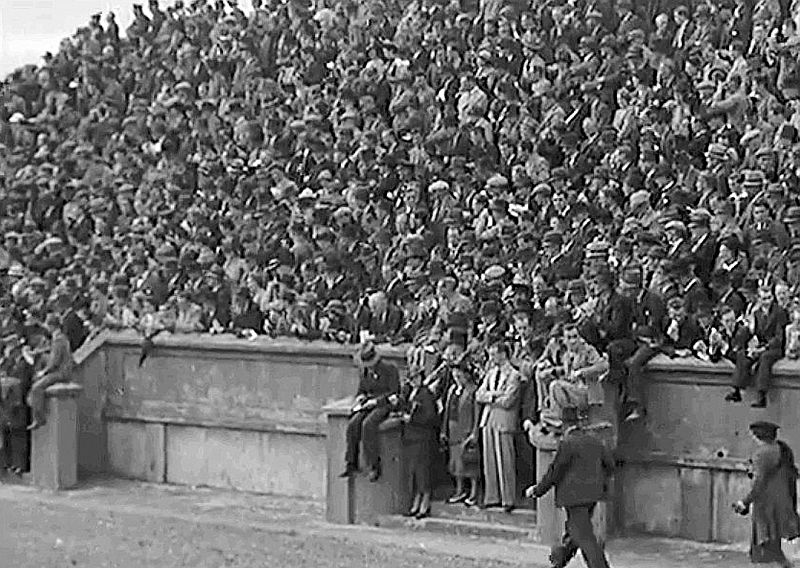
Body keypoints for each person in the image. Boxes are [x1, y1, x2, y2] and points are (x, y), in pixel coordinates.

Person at [526, 406, 615, 568]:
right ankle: (558, 560)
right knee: (575, 532)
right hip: (593, 495)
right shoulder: (595, 441)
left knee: (586, 538)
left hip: (573, 497)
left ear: (563, 424)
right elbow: (609, 465)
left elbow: (555, 472)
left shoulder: (567, 443)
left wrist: (537, 490)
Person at [733, 421, 800, 568]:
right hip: (781, 502)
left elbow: (759, 483)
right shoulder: (782, 449)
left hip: (767, 506)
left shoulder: (763, 453)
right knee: (773, 549)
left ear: (757, 435)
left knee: (764, 550)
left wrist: (744, 502)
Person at [340, 341, 400, 482]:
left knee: (368, 424)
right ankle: (351, 462)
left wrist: (377, 401)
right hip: (368, 403)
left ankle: (373, 465)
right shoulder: (365, 372)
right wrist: (361, 398)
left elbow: (394, 392)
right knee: (354, 423)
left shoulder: (389, 369)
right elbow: (362, 390)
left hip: (384, 403)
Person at [475, 339, 521, 512]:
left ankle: (508, 498)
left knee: (505, 459)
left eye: (494, 353)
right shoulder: (491, 372)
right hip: (488, 418)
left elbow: (508, 400)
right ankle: (492, 496)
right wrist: (494, 396)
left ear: (503, 354)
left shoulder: (514, 374)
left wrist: (491, 397)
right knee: (490, 459)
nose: (492, 357)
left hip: (504, 419)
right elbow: (479, 394)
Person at [399, 366, 438, 519]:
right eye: (412, 378)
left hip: (422, 436)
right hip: (411, 436)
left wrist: (413, 419)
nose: (414, 381)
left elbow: (430, 416)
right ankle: (416, 499)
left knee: (423, 470)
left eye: (416, 378)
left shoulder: (426, 394)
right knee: (414, 471)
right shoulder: (410, 393)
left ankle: (425, 501)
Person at [441, 358, 480, 507]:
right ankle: (459, 489)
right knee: (455, 461)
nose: (457, 378)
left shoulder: (473, 391)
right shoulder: (452, 390)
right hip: (453, 429)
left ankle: (474, 492)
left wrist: (474, 432)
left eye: (460, 375)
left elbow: (476, 413)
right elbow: (447, 411)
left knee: (469, 462)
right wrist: (444, 430)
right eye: (455, 375)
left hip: (466, 429)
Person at [25, 314, 74, 430]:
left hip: (61, 373)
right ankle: (32, 402)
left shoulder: (59, 340)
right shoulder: (60, 338)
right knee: (36, 380)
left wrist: (44, 372)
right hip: (60, 371)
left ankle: (39, 418)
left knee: (37, 387)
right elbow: (51, 352)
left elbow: (55, 362)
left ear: (52, 326)